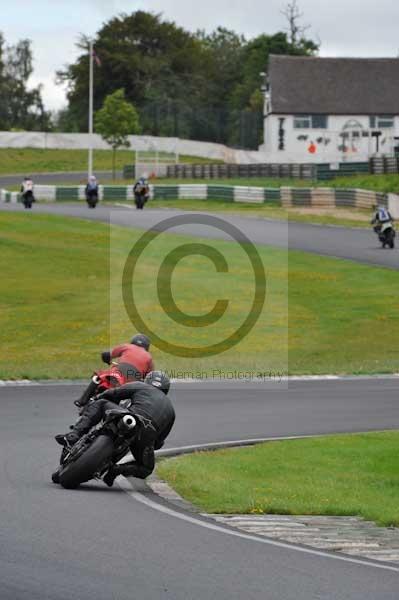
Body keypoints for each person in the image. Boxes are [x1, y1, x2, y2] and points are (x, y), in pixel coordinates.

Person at [56, 371, 175, 486]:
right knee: (146, 468)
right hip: (146, 435)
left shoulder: (140, 386)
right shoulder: (171, 411)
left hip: (128, 415)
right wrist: (147, 445)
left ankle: (74, 435)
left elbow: (113, 393)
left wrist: (96, 398)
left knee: (101, 403)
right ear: (166, 389)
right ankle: (116, 470)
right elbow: (159, 443)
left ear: (147, 380)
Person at [75, 333, 154, 408]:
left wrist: (107, 358)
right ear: (147, 346)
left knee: (98, 376)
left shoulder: (127, 346)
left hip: (119, 372)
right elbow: (149, 377)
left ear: (132, 341)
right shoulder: (149, 357)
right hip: (133, 381)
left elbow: (109, 354)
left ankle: (82, 400)